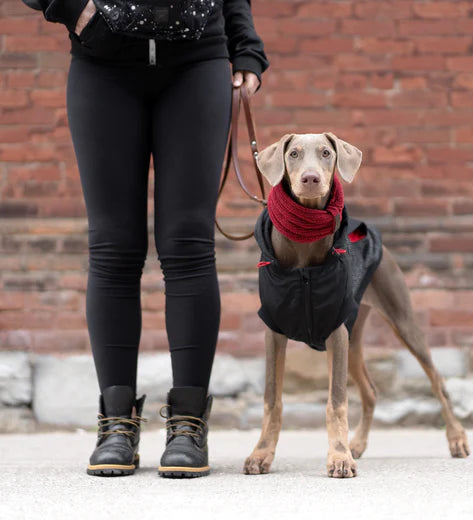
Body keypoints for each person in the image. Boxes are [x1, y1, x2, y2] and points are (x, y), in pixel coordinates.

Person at [21, 0, 269, 478]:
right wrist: (72, 9)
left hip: (197, 60)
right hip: (103, 62)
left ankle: (188, 424)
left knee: (189, 245)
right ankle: (116, 424)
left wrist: (245, 45)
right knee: (113, 247)